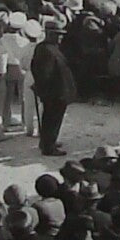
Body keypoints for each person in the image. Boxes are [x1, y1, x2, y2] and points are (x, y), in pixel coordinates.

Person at [31, 21, 79, 156]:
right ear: (49, 34)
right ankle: (49, 147)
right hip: (54, 92)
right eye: (58, 35)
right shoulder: (46, 49)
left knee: (51, 118)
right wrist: (42, 88)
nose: (60, 37)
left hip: (57, 90)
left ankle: (48, 141)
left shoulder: (49, 47)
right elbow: (43, 73)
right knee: (53, 119)